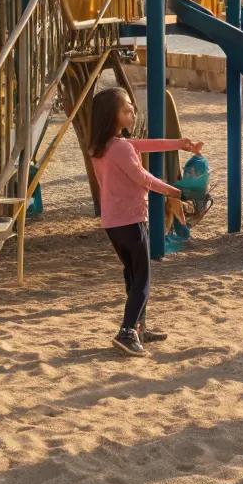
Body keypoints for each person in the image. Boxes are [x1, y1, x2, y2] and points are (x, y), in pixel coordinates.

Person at [89, 86, 202, 357]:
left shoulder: (101, 147)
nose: (132, 111)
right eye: (126, 108)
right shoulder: (121, 149)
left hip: (112, 224)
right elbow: (144, 179)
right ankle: (127, 331)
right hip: (131, 219)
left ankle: (139, 327)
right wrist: (175, 191)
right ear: (111, 116)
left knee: (132, 273)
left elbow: (145, 144)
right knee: (143, 278)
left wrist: (179, 143)